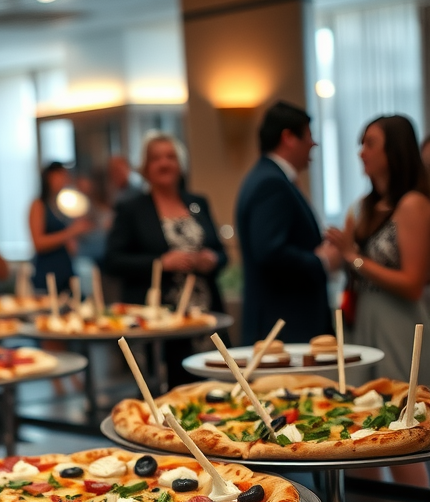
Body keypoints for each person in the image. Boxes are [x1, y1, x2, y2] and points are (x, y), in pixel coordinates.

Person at [326, 115, 430, 502]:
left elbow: (412, 282)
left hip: (399, 328)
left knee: (401, 438)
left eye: (370, 143)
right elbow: (352, 268)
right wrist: (339, 254)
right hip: (363, 327)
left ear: (393, 151)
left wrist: (354, 256)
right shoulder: (365, 207)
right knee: (363, 440)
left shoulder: (414, 204)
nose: (361, 152)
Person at [103, 132, 227, 385]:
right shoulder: (132, 209)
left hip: (204, 317)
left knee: (215, 388)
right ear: (145, 168)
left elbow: (221, 252)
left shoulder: (198, 203)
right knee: (169, 390)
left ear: (180, 164)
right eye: (156, 158)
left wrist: (212, 259)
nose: (164, 163)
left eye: (170, 157)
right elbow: (112, 260)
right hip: (159, 323)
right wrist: (160, 263)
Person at [236, 100, 338, 344]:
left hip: (283, 322)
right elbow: (269, 251)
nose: (313, 143)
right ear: (289, 138)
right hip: (285, 325)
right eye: (308, 136)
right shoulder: (271, 183)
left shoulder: (268, 176)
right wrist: (321, 261)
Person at [29, 162, 91, 293]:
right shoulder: (38, 205)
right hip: (48, 273)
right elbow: (38, 243)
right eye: (60, 176)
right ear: (48, 178)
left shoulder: (62, 205)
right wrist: (70, 233)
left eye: (65, 176)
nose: (64, 180)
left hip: (66, 270)